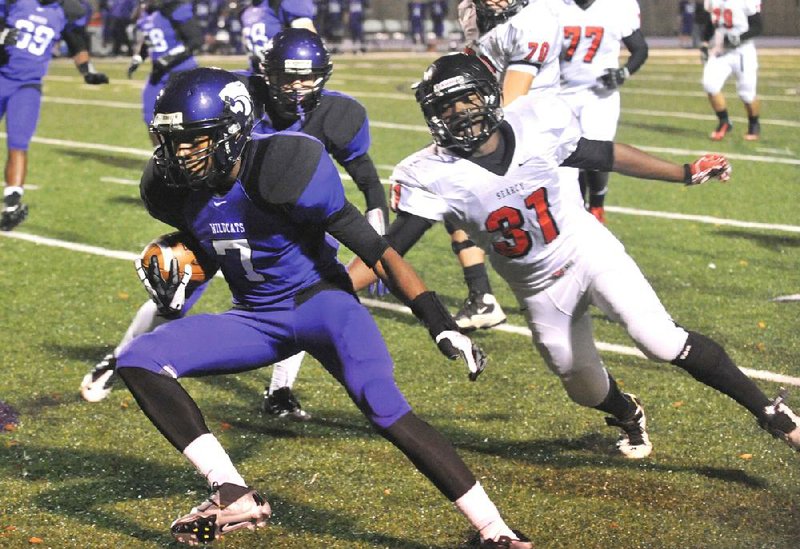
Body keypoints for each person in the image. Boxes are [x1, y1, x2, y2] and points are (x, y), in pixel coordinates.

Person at [114, 66, 532, 549]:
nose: (179, 154)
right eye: (171, 141)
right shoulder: (168, 190)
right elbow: (219, 245)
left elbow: (379, 252)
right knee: (138, 359)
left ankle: (495, 530)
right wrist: (182, 270)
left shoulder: (283, 165)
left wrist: (436, 320)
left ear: (232, 130)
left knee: (383, 405)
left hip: (322, 304)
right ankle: (231, 491)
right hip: (255, 318)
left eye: (194, 140)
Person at [347, 53, 800, 460]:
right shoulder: (430, 173)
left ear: (488, 95)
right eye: (445, 108)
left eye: (465, 100)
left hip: (585, 248)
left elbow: (604, 155)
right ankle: (625, 410)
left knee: (658, 338)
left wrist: (683, 172)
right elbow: (386, 250)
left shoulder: (534, 121)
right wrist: (336, 287)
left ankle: (772, 412)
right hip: (538, 287)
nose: (458, 114)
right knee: (582, 384)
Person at [81, 29, 389, 423]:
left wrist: (377, 216)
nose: (296, 88)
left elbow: (364, 173)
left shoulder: (338, 114)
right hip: (222, 209)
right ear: (266, 73)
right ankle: (118, 358)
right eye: (286, 77)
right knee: (178, 286)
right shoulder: (235, 94)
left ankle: (280, 389)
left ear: (322, 76)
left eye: (306, 77)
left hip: (283, 225)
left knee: (302, 295)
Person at [444, 0, 563, 333]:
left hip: (538, 129)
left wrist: (473, 128)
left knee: (555, 233)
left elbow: (512, 99)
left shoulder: (535, 19)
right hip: (497, 122)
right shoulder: (469, 10)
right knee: (453, 197)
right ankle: (481, 297)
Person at [1, 0, 109, 232]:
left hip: (27, 86)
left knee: (18, 143)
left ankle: (11, 206)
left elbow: (75, 40)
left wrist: (87, 70)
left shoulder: (67, 12)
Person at [558, 0, 648, 225]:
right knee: (567, 158)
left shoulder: (617, 7)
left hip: (599, 96)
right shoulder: (552, 7)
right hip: (560, 94)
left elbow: (640, 48)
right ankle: (576, 209)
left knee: (596, 152)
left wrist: (624, 72)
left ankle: (597, 205)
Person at [126, 0, 203, 138]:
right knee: (150, 116)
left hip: (182, 70)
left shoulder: (174, 8)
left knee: (184, 120)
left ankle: (189, 155)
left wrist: (169, 58)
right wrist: (138, 58)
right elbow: (148, 39)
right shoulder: (146, 13)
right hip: (159, 73)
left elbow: (195, 40)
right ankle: (162, 155)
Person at [700, 0, 762, 141]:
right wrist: (704, 42)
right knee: (709, 83)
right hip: (721, 50)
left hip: (743, 51)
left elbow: (757, 27)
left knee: (746, 93)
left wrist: (738, 38)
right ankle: (724, 121)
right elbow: (711, 23)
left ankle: (754, 123)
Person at [240, 0, 316, 73]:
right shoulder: (247, 9)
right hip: (258, 74)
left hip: (284, 76)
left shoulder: (287, 3)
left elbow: (308, 40)